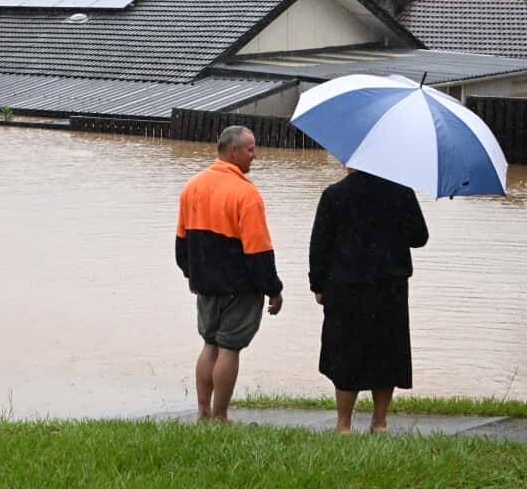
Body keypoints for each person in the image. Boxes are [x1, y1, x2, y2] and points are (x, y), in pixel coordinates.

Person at [175, 126, 283, 423]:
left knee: (209, 343)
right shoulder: (246, 194)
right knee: (229, 347)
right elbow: (258, 251)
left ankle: (202, 412)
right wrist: (273, 289)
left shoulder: (192, 187)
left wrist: (192, 277)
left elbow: (181, 244)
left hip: (205, 284)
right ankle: (221, 416)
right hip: (240, 286)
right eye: (250, 149)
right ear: (233, 151)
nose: (255, 155)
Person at [308, 167, 428, 434]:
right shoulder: (401, 192)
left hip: (346, 286)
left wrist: (317, 284)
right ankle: (380, 422)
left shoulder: (335, 194)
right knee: (387, 353)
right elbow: (420, 238)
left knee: (345, 353)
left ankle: (343, 424)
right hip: (389, 287)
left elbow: (320, 245)